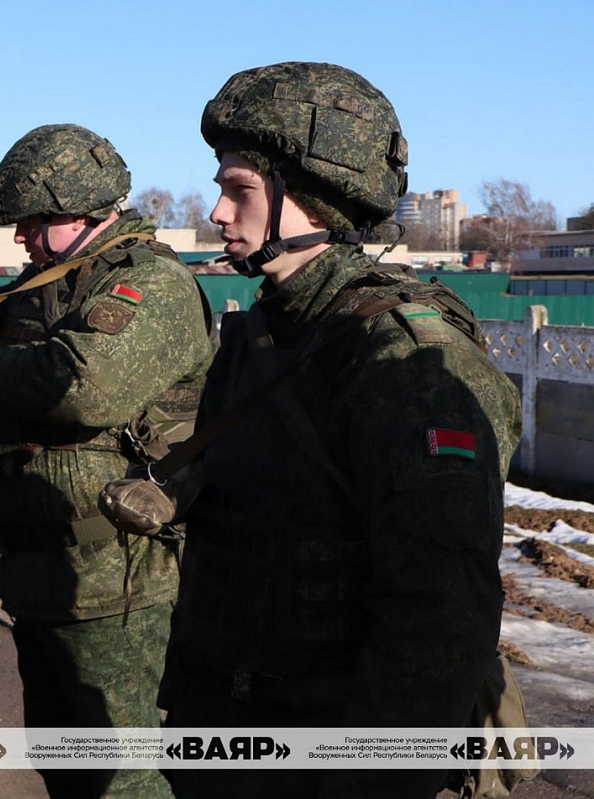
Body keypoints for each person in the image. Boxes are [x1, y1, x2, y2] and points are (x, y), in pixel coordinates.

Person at [103, 62, 522, 798]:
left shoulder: (405, 359)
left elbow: (438, 612)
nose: (218, 212)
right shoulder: (265, 332)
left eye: (239, 190)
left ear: (315, 197)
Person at [0, 124, 213, 799]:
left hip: (116, 579)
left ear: (80, 211)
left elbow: (83, 386)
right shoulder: (54, 282)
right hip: (44, 577)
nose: (21, 238)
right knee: (63, 763)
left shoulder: (150, 282)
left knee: (118, 775)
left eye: (32, 222)